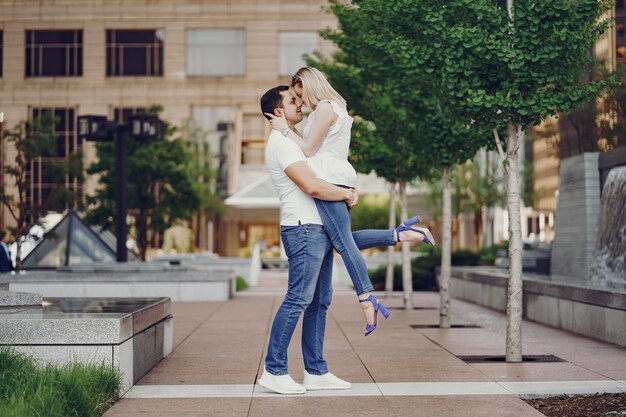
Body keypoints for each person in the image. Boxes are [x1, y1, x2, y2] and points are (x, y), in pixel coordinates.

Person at [257, 85, 433, 395]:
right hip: (302, 228)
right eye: (292, 100)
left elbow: (344, 240)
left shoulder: (292, 141)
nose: (299, 104)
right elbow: (312, 186)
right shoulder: (281, 145)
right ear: (277, 111)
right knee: (298, 299)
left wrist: (389, 233)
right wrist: (347, 193)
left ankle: (316, 371)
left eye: (299, 99)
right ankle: (274, 370)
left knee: (319, 302)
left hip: (315, 227)